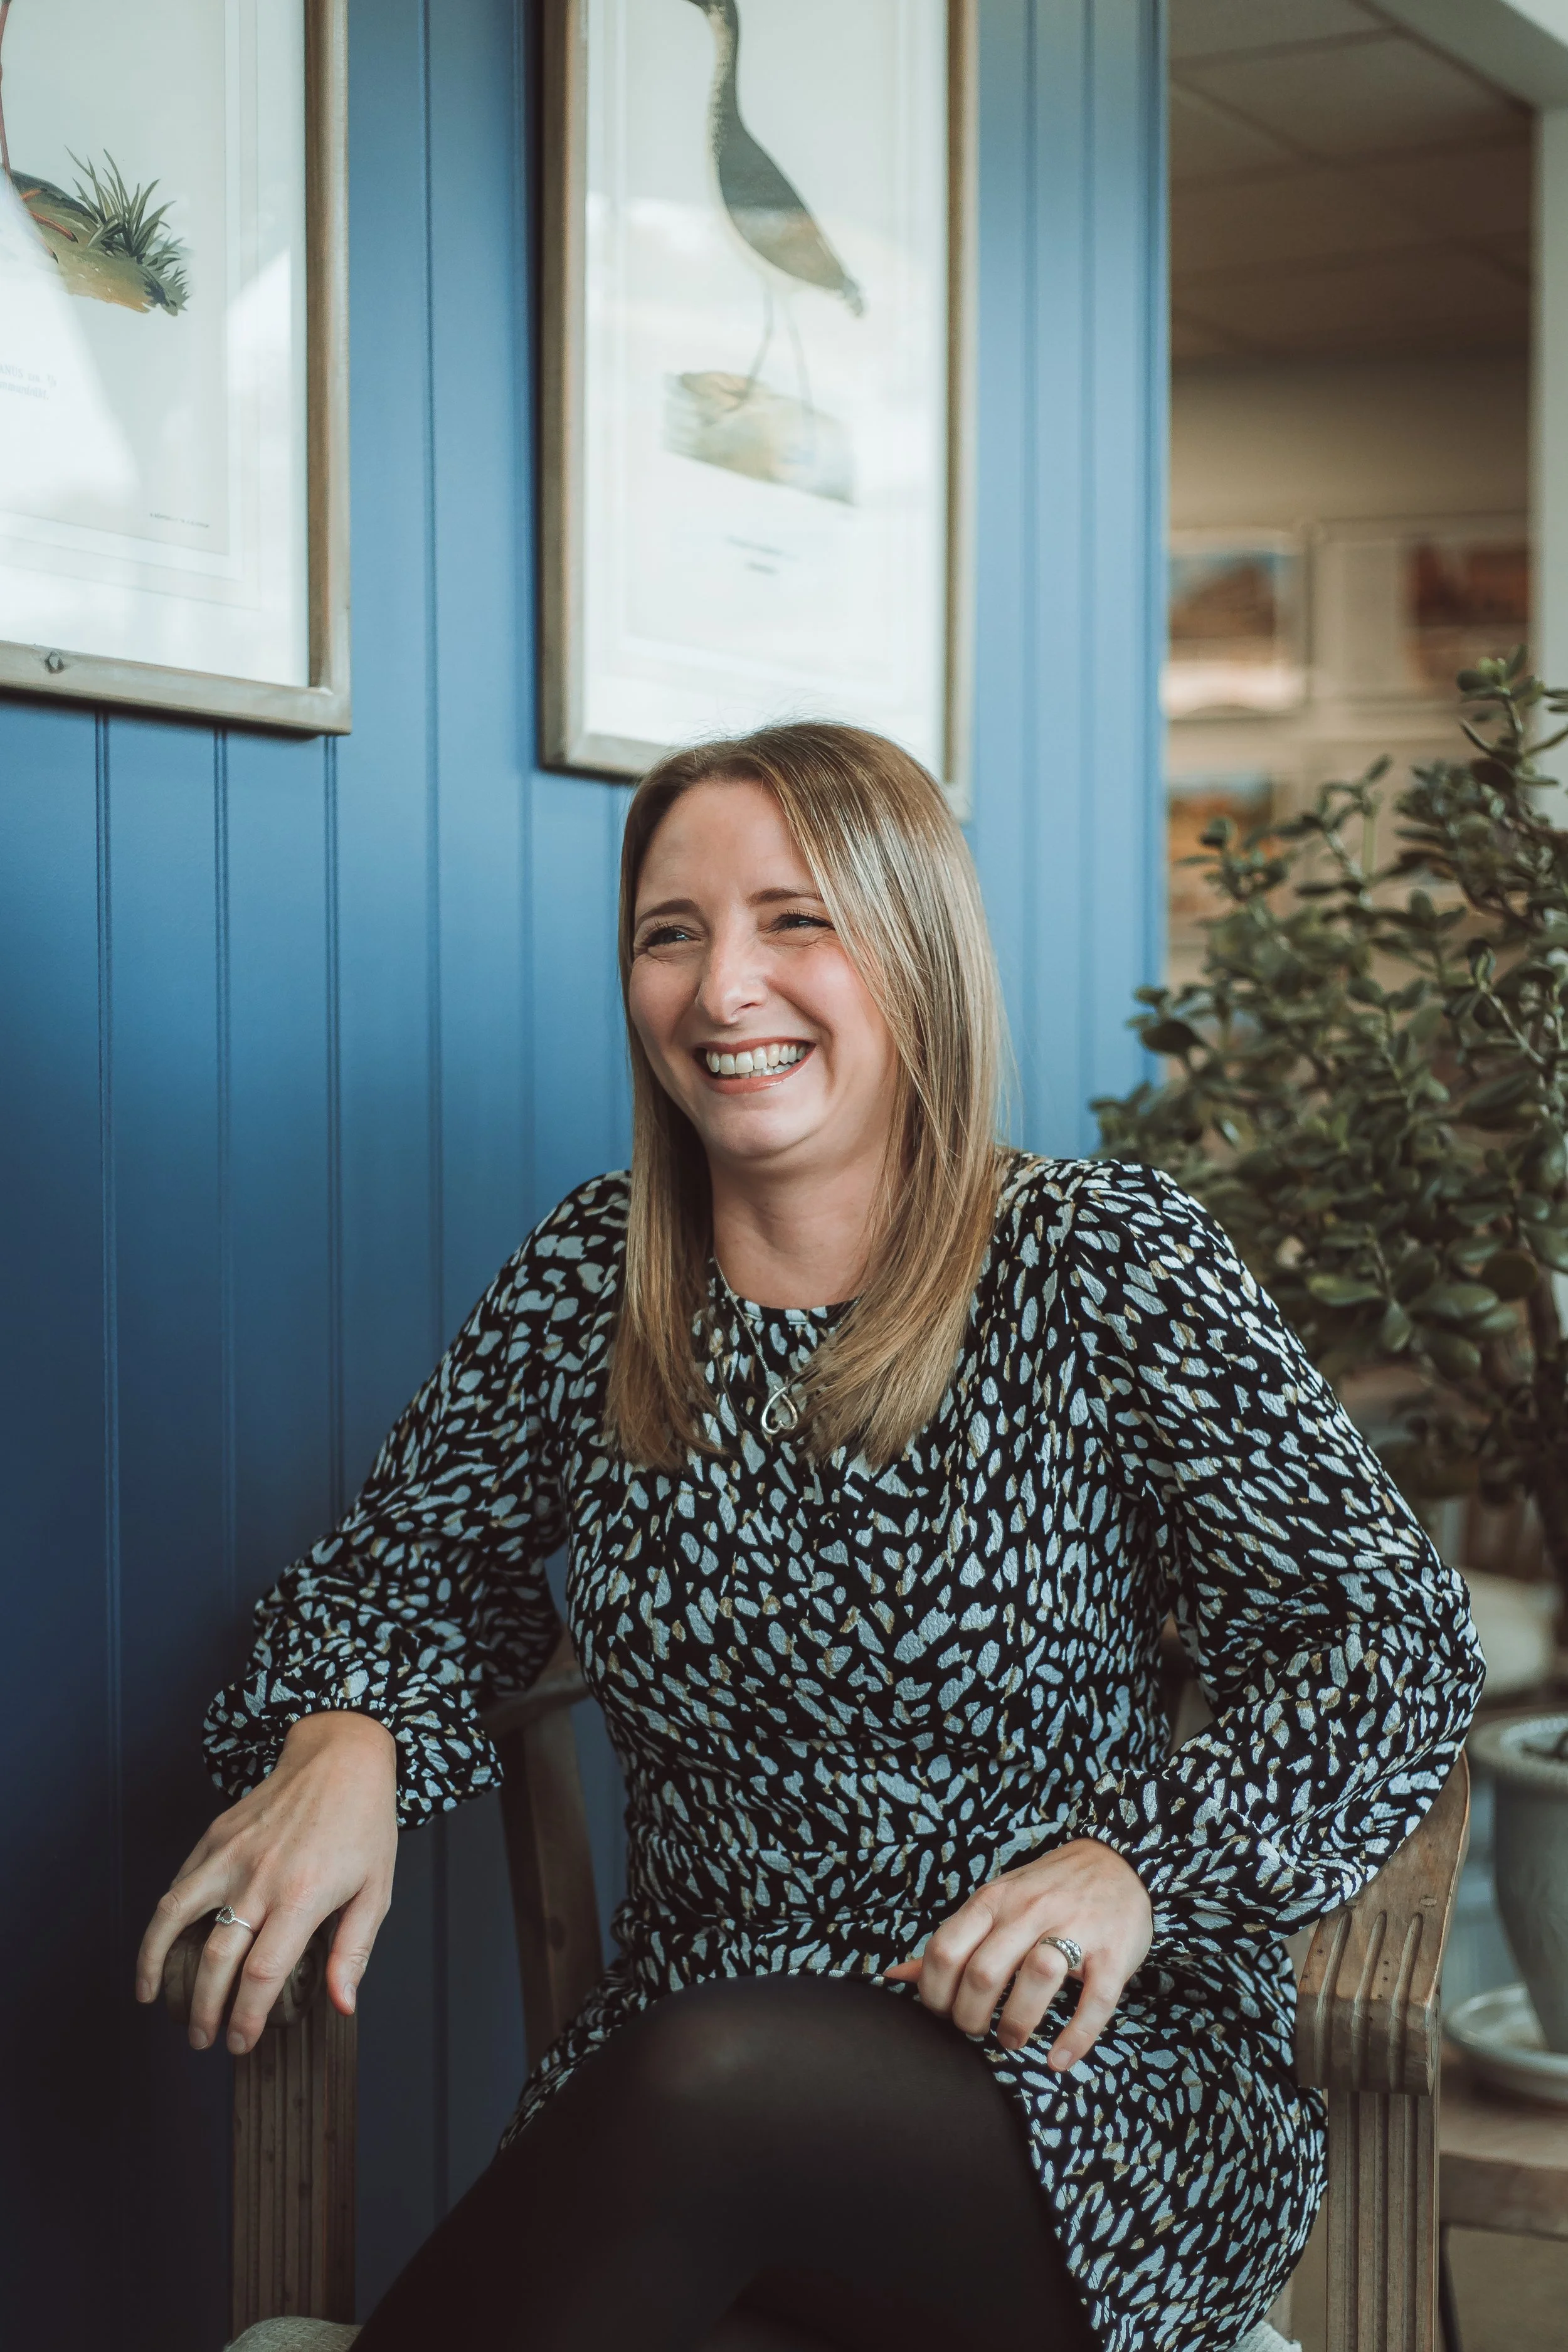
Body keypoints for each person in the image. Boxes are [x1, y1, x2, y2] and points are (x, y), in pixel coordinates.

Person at [135, 723, 1483, 2352]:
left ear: (910, 949)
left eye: (794, 919)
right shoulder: (596, 1282)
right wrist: (350, 1729)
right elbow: (406, 1564)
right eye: (670, 931)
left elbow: (1391, 1638)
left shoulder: (1098, 1263)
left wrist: (1140, 1864)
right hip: (685, 2086)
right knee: (691, 2105)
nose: (722, 991)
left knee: (705, 2088)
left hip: (1077, 2089)